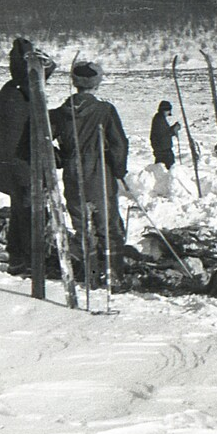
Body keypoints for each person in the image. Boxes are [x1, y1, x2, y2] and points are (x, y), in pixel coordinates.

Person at [50, 61, 129, 286]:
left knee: (82, 226)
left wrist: (60, 159)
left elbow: (44, 141)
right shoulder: (105, 111)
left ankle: (91, 275)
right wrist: (119, 169)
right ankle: (112, 276)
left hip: (73, 176)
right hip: (99, 174)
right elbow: (118, 145)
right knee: (107, 225)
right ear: (96, 84)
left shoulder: (60, 113)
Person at [0, 38, 56, 275]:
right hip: (22, 164)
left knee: (20, 211)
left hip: (12, 164)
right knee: (29, 213)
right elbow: (33, 131)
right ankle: (31, 261)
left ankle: (18, 259)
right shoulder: (25, 92)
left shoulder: (12, 89)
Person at [149, 100, 181, 168]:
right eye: (168, 110)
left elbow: (165, 132)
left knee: (161, 168)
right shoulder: (159, 120)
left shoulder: (159, 118)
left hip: (162, 149)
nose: (169, 112)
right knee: (167, 168)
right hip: (163, 150)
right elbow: (164, 134)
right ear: (164, 110)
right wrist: (173, 130)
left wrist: (173, 128)